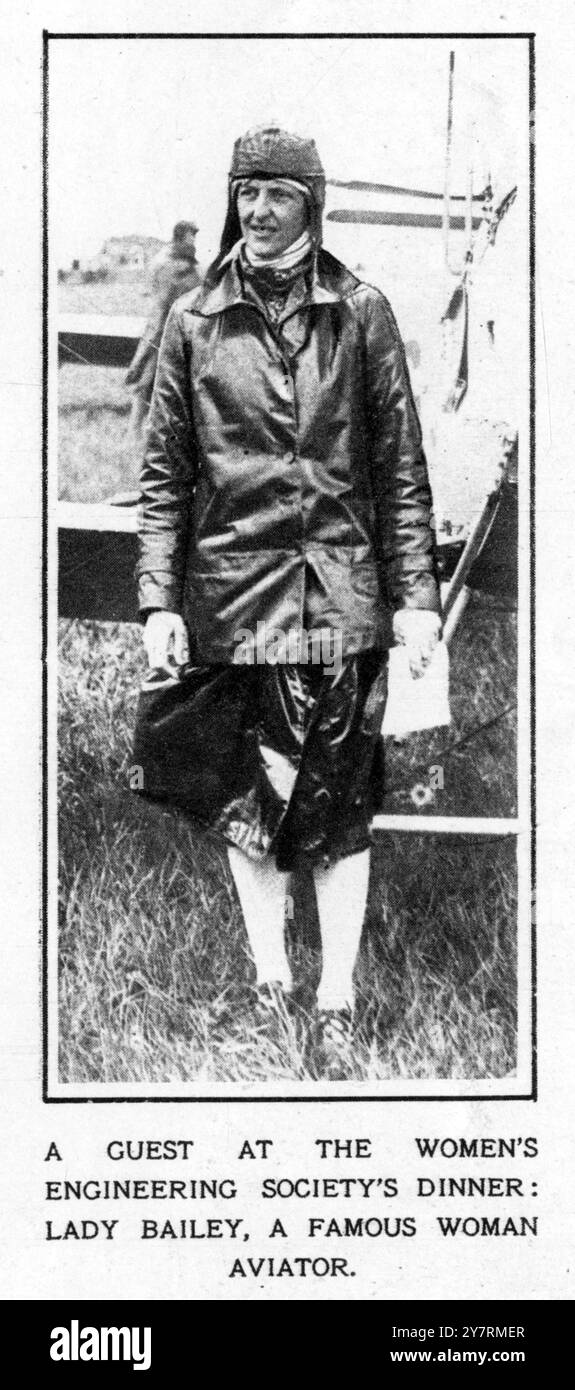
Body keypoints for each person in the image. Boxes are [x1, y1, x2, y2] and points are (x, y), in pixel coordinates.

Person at [133, 125, 441, 1079]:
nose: (259, 211)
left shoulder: (362, 313)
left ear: (313, 201)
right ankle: (270, 982)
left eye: (278, 193)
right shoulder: (192, 321)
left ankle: (336, 997)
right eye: (245, 193)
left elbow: (400, 471)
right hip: (229, 598)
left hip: (338, 598)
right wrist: (158, 600)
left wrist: (415, 600)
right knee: (244, 802)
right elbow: (162, 477)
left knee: (339, 810)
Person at [125, 220, 202, 450]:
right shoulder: (166, 264)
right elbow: (162, 304)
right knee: (147, 382)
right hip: (163, 329)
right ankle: (133, 434)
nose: (194, 241)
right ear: (180, 236)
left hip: (186, 330)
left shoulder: (190, 263)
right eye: (192, 236)